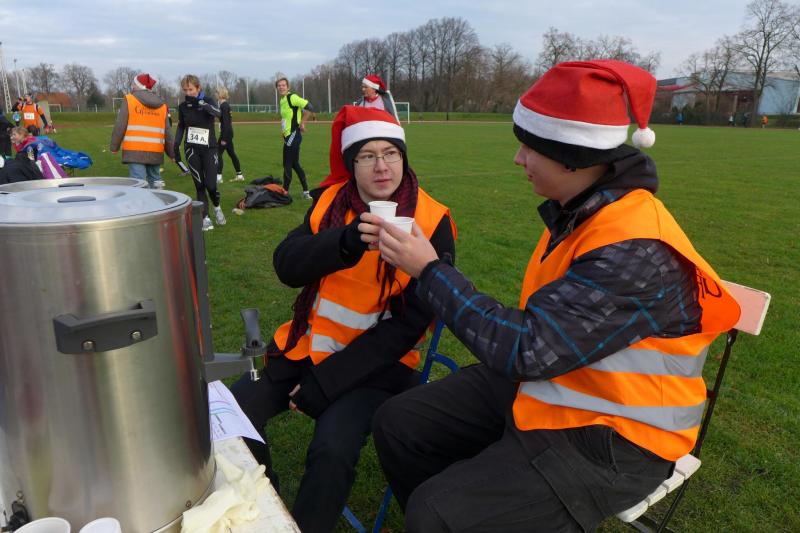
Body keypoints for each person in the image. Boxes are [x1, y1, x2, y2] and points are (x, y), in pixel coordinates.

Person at [371, 60, 742, 532]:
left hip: (620, 436)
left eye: (530, 147)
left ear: (572, 157)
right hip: (563, 384)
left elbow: (527, 349)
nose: (518, 159)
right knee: (400, 422)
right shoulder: (583, 210)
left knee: (437, 513)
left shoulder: (633, 250)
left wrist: (429, 271)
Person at [230, 105, 456, 533]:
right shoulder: (331, 202)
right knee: (231, 418)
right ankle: (267, 509)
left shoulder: (431, 221)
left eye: (390, 153)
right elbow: (286, 265)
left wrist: (326, 383)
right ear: (351, 164)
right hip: (305, 346)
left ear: (403, 158)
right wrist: (346, 242)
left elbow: (408, 326)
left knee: (331, 449)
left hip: (378, 370)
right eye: (367, 155)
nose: (381, 166)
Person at [174, 74, 225, 231]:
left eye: (191, 89)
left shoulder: (208, 101)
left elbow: (219, 114)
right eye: (185, 90)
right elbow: (181, 126)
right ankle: (205, 218)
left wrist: (203, 104)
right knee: (200, 185)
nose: (188, 93)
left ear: (198, 88)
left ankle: (217, 207)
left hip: (209, 148)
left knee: (211, 185)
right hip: (192, 149)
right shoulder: (183, 107)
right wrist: (176, 143)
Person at [109, 73, 174, 189]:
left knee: (138, 183)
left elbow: (120, 125)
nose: (132, 86)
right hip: (155, 150)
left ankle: (141, 200)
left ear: (139, 86)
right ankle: (159, 199)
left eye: (134, 84)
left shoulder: (130, 99)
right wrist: (172, 153)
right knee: (155, 181)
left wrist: (114, 147)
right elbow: (167, 132)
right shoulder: (162, 105)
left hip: (134, 151)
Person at [276, 77, 315, 199]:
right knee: (294, 164)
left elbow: (309, 107)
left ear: (288, 87)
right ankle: (306, 192)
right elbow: (286, 118)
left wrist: (302, 122)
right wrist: (284, 131)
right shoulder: (282, 100)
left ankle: (285, 191)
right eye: (279, 85)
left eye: (283, 85)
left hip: (293, 135)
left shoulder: (292, 97)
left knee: (287, 163)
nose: (281, 87)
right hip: (289, 135)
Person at [215, 87, 244, 183]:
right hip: (228, 133)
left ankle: (219, 177)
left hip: (226, 134)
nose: (215, 94)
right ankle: (239, 175)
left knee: (218, 153)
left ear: (220, 94)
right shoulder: (225, 105)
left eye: (216, 93)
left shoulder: (224, 106)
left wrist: (224, 138)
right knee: (232, 154)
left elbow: (226, 123)